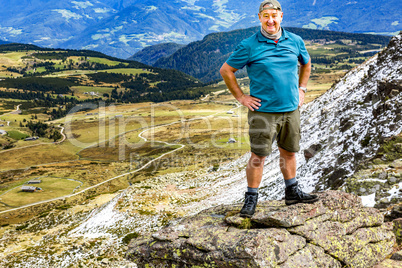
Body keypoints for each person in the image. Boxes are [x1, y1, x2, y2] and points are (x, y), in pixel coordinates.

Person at [219, 0, 318, 217]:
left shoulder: (295, 41)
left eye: (274, 15)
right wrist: (241, 97)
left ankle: (292, 193)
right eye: (266, 15)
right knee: (258, 156)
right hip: (262, 113)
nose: (270, 20)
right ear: (259, 17)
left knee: (289, 152)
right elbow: (226, 70)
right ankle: (251, 199)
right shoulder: (249, 45)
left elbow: (306, 63)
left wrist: (302, 89)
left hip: (291, 110)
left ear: (281, 16)